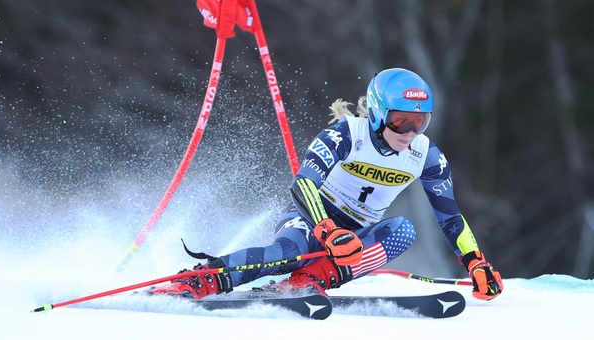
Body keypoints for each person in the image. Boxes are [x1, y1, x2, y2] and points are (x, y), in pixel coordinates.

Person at [150, 67, 504, 301]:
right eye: (400, 122)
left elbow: (451, 218)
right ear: (379, 113)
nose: (410, 134)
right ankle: (203, 278)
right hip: (311, 218)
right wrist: (327, 230)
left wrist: (476, 263)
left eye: (420, 123)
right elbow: (303, 185)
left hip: (356, 233)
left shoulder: (427, 156)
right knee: (288, 254)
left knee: (402, 232)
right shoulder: (346, 134)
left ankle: (310, 281)